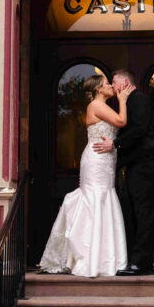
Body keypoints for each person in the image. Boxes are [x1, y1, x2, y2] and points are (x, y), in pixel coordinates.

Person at [38, 73, 135, 277]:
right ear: (99, 89)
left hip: (106, 160)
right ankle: (88, 255)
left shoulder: (103, 105)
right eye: (107, 84)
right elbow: (121, 121)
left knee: (104, 197)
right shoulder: (96, 105)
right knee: (95, 197)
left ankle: (103, 257)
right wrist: (123, 100)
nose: (110, 86)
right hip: (96, 160)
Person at [93, 68, 154, 276]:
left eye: (114, 82)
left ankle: (139, 263)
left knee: (144, 214)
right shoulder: (126, 102)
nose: (112, 86)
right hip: (136, 166)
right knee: (137, 212)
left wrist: (115, 143)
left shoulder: (139, 99)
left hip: (146, 167)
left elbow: (139, 129)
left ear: (125, 82)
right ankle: (140, 260)